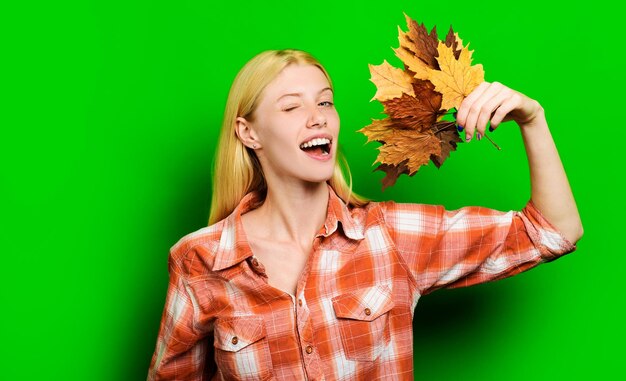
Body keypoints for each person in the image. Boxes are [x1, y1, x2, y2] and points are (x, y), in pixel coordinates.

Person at [146, 49, 583, 380]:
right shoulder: (199, 261)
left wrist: (533, 117)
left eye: (325, 102)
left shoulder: (390, 236)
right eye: (292, 106)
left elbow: (553, 231)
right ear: (249, 133)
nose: (317, 119)